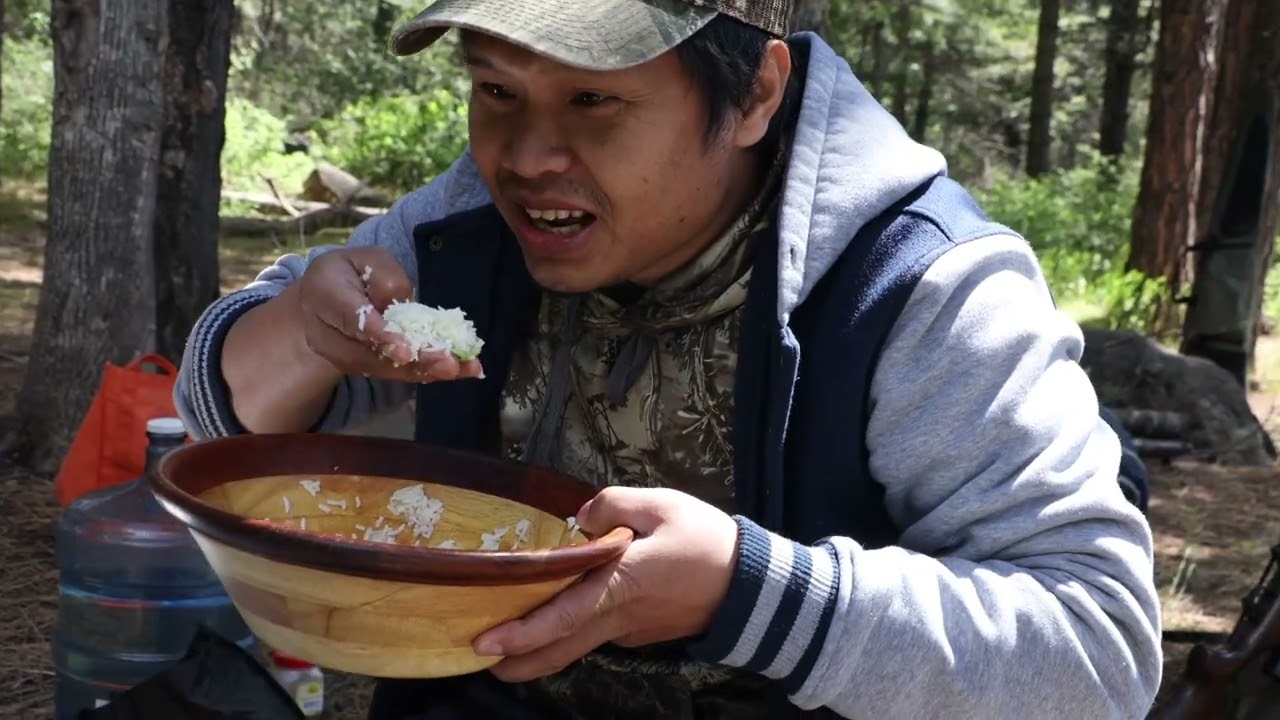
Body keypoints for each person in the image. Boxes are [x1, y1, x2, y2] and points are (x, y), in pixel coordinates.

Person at [174, 1, 1164, 718]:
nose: (526, 156)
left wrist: (749, 591)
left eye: (594, 99)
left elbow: (1098, 657)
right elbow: (221, 416)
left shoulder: (921, 291)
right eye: (496, 89)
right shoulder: (470, 221)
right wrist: (303, 332)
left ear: (755, 93)